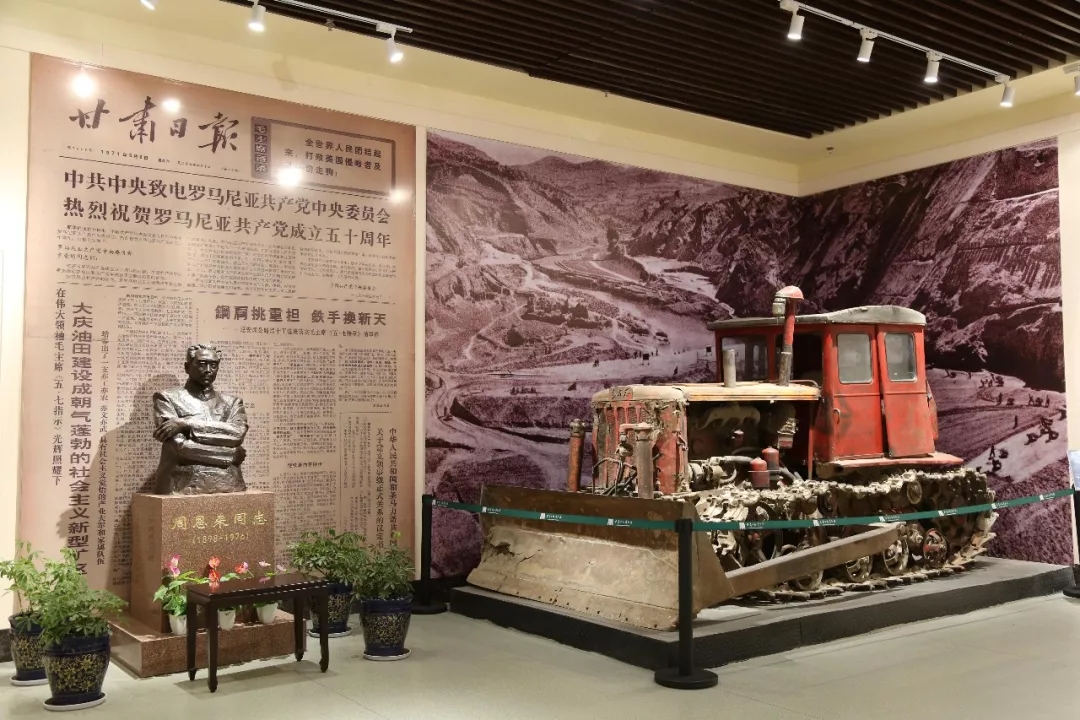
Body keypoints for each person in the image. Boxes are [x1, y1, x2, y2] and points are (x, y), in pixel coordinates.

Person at [152, 344, 248, 494]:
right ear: (187, 367)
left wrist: (187, 424)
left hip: (230, 482)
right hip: (183, 485)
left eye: (213, 365)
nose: (208, 370)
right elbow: (180, 447)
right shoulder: (167, 398)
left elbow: (237, 434)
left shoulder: (232, 403)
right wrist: (231, 454)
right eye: (202, 364)